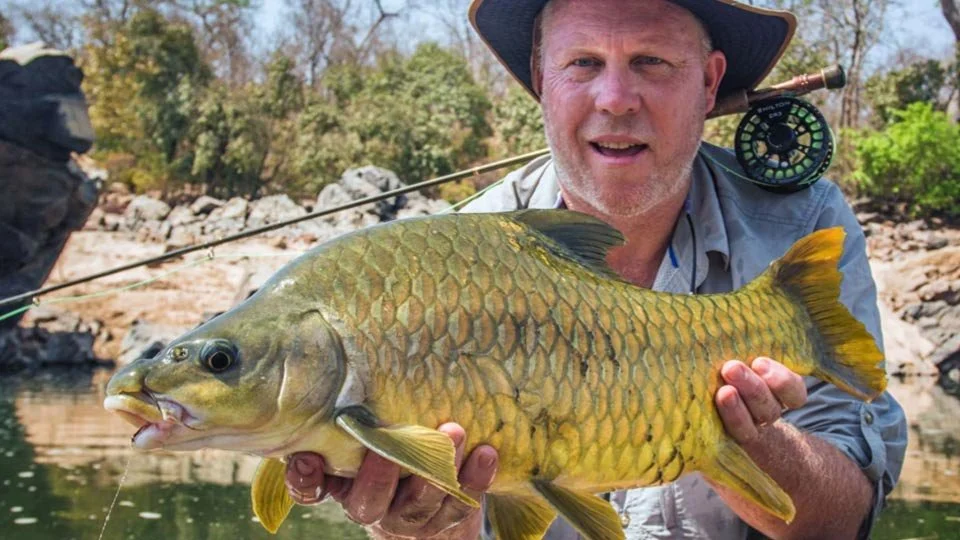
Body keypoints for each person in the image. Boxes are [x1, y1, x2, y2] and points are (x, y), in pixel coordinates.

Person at [282, 0, 908, 538]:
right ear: (540, 79)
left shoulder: (802, 227)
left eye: (651, 62)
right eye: (583, 63)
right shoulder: (446, 259)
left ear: (710, 84)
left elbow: (845, 520)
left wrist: (746, 438)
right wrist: (412, 520)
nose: (615, 100)